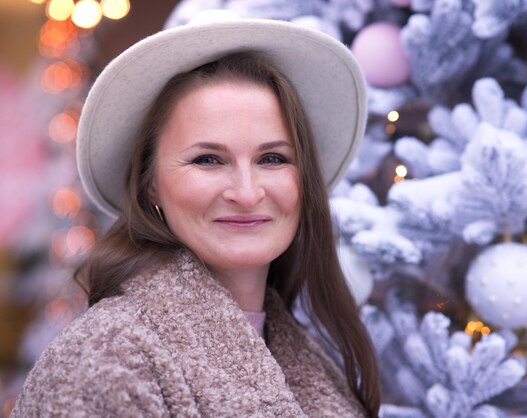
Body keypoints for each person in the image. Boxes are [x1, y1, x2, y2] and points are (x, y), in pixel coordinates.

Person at [12, 11, 381, 418]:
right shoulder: (103, 362)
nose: (246, 192)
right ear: (151, 183)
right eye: (208, 160)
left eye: (273, 158)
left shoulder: (307, 360)